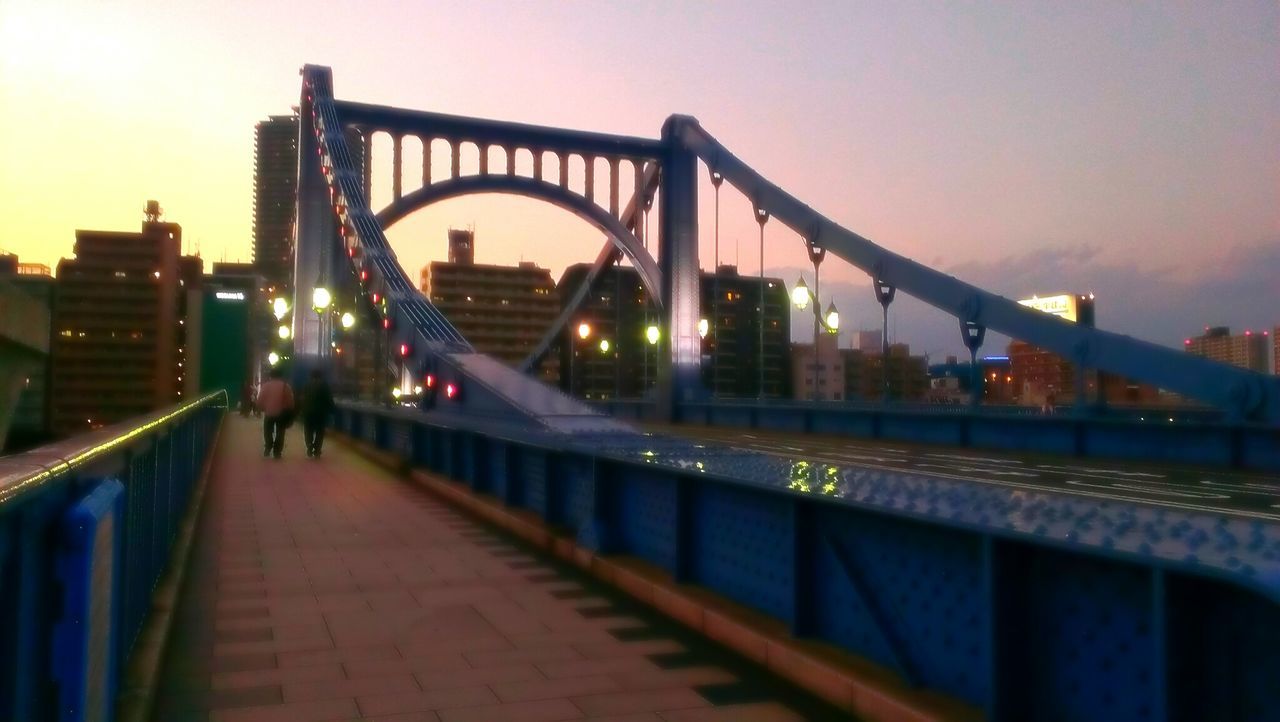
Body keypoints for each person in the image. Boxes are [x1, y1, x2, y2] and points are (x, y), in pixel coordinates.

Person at [256, 367, 294, 459]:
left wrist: (259, 409)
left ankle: (268, 446)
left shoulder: (266, 386)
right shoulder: (286, 386)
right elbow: (290, 401)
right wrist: (290, 409)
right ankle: (277, 451)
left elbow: (260, 400)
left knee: (267, 431)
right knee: (280, 432)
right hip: (281, 413)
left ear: (270, 376)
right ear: (281, 376)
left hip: (269, 413)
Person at [299, 369, 335, 458]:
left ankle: (310, 445)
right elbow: (329, 399)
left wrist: (302, 410)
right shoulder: (324, 385)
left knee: (308, 430)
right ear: (321, 376)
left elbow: (302, 399)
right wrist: (332, 409)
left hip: (307, 412)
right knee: (320, 431)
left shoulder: (306, 385)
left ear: (311, 376)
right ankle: (317, 450)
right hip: (320, 412)